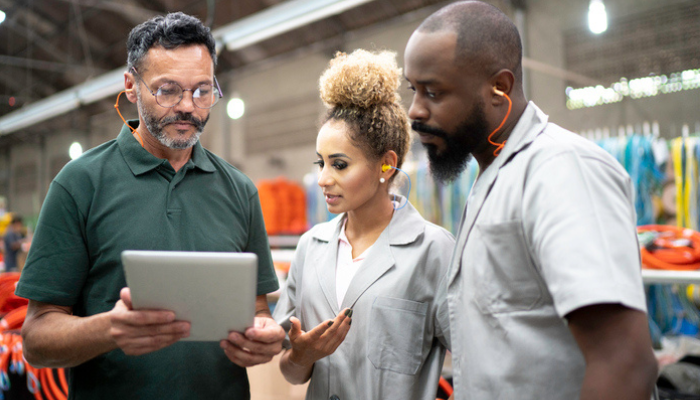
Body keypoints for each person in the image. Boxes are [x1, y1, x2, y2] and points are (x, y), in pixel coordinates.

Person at [16, 12, 284, 399]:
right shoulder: (80, 184)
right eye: (168, 90)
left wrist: (265, 337)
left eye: (202, 90)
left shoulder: (239, 190)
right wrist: (110, 329)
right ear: (130, 86)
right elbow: (36, 338)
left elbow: (258, 312)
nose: (188, 107)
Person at [404, 2, 658, 399]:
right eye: (413, 90)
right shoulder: (495, 175)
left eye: (434, 92)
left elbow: (624, 363)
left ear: (499, 88)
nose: (415, 110)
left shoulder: (562, 170)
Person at [273, 49, 455, 400]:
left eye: (339, 165)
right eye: (320, 163)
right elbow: (291, 372)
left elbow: (474, 358)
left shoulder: (433, 251)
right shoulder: (310, 249)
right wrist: (302, 355)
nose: (323, 179)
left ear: (387, 165)